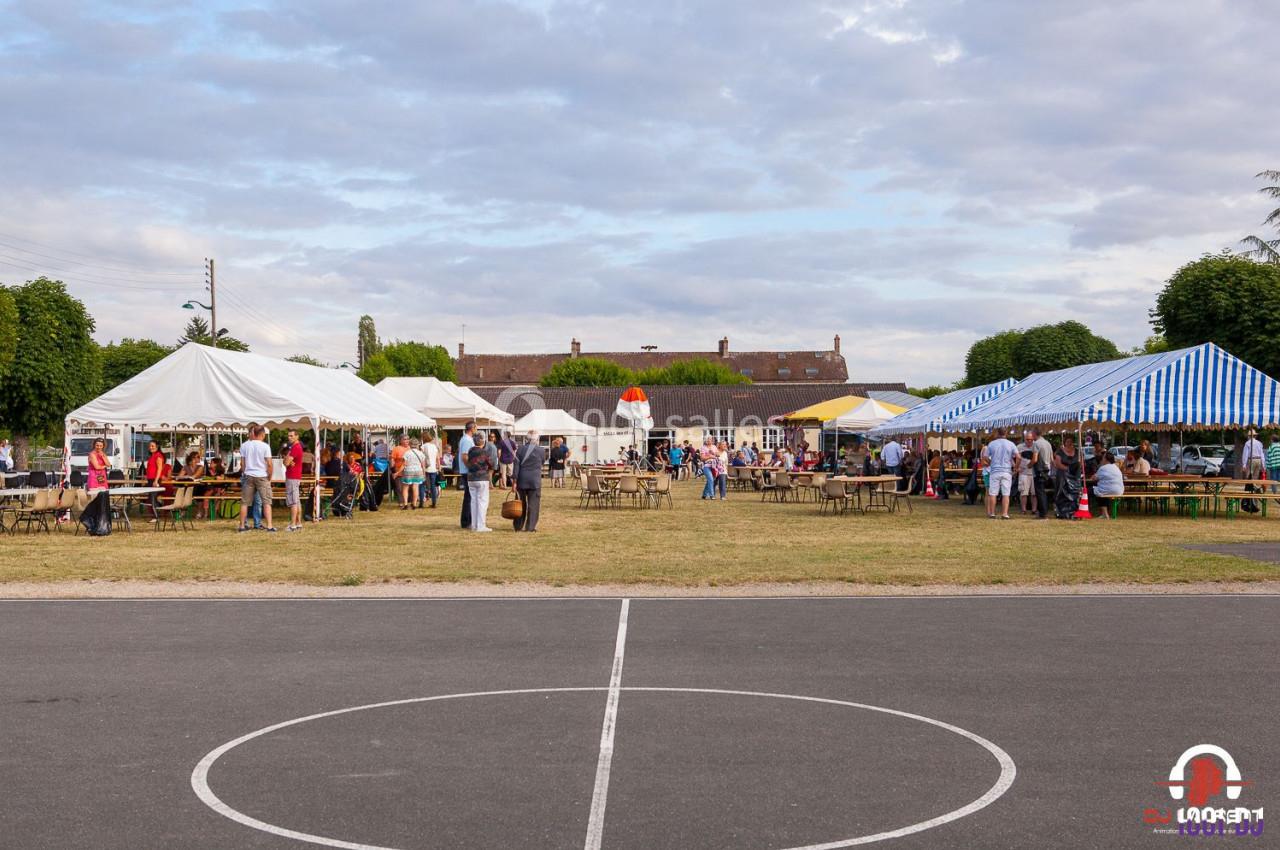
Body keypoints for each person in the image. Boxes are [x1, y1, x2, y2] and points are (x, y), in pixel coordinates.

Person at [237, 425, 276, 533]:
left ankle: (242, 526)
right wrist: (269, 476)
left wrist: (245, 473)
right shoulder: (265, 446)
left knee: (245, 502)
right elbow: (269, 464)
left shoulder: (244, 445)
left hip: (249, 475)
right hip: (262, 476)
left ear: (253, 433)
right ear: (263, 434)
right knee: (266, 502)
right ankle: (269, 526)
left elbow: (242, 463)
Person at [511, 431, 546, 532]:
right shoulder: (541, 451)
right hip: (534, 480)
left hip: (522, 479)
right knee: (533, 505)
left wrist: (514, 481)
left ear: (526, 439)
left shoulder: (520, 449)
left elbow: (516, 466)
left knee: (519, 504)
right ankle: (530, 527)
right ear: (537, 439)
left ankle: (518, 526)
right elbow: (542, 462)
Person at [982, 428, 1019, 520]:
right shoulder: (1011, 444)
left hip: (995, 471)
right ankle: (1005, 513)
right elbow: (1018, 457)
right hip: (1006, 471)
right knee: (1006, 494)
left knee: (993, 493)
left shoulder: (992, 444)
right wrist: (1016, 467)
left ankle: (992, 513)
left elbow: (985, 456)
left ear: (997, 433)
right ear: (1006, 433)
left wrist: (991, 463)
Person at [466, 430, 494, 532]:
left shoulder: (470, 451)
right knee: (482, 502)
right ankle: (481, 526)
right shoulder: (484, 452)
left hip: (471, 478)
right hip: (482, 478)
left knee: (474, 502)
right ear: (482, 440)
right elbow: (491, 464)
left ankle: (474, 525)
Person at [1052, 435, 1083, 519]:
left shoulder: (1077, 451)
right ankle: (1062, 511)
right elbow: (1058, 464)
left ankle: (1074, 510)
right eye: (1067, 441)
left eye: (1070, 441)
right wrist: (1068, 469)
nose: (1069, 443)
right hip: (1062, 475)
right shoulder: (1060, 452)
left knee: (1074, 494)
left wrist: (1075, 469)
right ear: (1064, 442)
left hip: (1074, 476)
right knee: (1062, 493)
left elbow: (1081, 463)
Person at [283, 429, 304, 531]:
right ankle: (298, 523)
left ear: (297, 436)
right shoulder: (294, 447)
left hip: (292, 477)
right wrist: (287, 459)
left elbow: (286, 462)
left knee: (293, 501)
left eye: (291, 436)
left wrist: (287, 459)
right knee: (297, 501)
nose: (289, 437)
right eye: (288, 436)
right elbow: (286, 461)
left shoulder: (295, 447)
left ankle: (293, 525)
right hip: (295, 476)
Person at [1093, 451, 1124, 518]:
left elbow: (1094, 478)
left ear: (1106, 459)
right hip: (1119, 491)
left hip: (1108, 490)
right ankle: (1105, 513)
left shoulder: (1103, 468)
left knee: (1096, 491)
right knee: (1102, 490)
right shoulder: (1116, 467)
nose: (1102, 459)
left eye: (1103, 458)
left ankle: (1104, 513)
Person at [457, 420, 476, 529]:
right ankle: (466, 521)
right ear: (472, 428)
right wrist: (471, 468)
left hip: (466, 471)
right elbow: (465, 456)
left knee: (469, 496)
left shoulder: (467, 439)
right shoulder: (467, 440)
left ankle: (468, 520)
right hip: (467, 471)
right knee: (468, 497)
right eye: (475, 427)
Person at [398, 437, 426, 510]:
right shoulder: (421, 453)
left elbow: (404, 464)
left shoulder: (407, 453)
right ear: (417, 445)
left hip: (408, 471)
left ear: (410, 444)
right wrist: (424, 473)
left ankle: (406, 504)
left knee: (405, 487)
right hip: (418, 471)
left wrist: (398, 472)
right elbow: (423, 465)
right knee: (415, 487)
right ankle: (414, 504)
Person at [144, 440, 167, 522]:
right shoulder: (152, 456)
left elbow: (160, 468)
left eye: (153, 446)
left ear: (157, 447)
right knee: (151, 498)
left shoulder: (158, 456)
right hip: (150, 479)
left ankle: (156, 517)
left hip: (155, 479)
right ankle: (157, 511)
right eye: (150, 446)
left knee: (153, 498)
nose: (151, 447)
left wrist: (156, 480)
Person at [420, 432, 441, 508]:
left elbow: (422, 458)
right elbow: (437, 458)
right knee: (433, 486)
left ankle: (421, 503)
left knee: (422, 485)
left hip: (425, 469)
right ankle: (434, 503)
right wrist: (439, 467)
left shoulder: (423, 447)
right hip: (434, 468)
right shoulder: (434, 446)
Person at [1018, 446, 1036, 514]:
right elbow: (1014, 458)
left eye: (1030, 439)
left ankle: (1034, 510)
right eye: (1027, 439)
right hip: (1024, 474)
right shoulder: (1020, 447)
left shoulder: (1036, 446)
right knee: (1023, 493)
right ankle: (1023, 510)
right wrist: (1017, 467)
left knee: (1034, 493)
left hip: (1034, 474)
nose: (1029, 441)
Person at [391, 434, 410, 500]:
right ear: (401, 440)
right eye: (405, 439)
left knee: (408, 487)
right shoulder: (396, 449)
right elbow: (392, 459)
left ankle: (408, 501)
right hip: (399, 471)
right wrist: (393, 469)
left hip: (409, 471)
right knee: (399, 488)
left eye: (408, 439)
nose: (407, 441)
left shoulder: (410, 448)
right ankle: (401, 501)